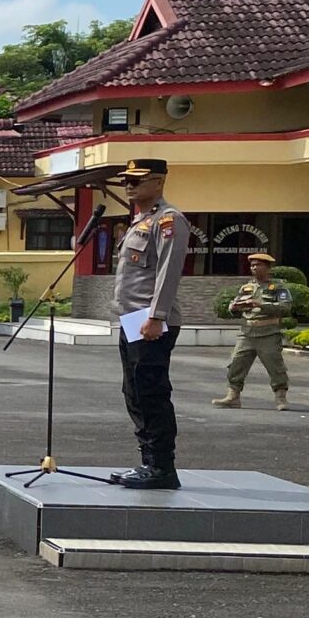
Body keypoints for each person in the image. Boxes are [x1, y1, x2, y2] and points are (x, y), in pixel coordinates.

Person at [108, 160, 188, 491]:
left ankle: (162, 467)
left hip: (150, 320)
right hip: (133, 318)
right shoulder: (140, 221)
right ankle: (148, 461)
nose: (129, 186)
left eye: (137, 181)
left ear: (158, 182)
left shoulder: (169, 220)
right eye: (126, 181)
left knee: (152, 392)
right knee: (134, 391)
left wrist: (157, 316)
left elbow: (169, 272)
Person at [212, 250, 294, 411]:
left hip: (268, 333)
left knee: (275, 366)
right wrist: (234, 307)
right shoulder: (246, 288)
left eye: (258, 265)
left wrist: (260, 304)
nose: (254, 268)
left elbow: (285, 308)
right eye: (252, 265)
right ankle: (233, 395)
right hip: (247, 332)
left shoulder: (278, 287)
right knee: (236, 363)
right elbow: (233, 307)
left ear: (268, 267)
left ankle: (280, 397)